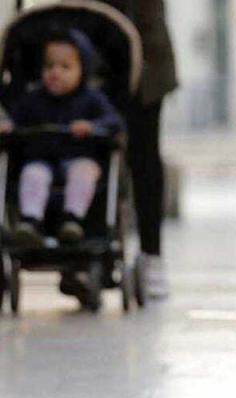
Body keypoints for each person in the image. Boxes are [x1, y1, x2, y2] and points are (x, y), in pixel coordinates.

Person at [1, 29, 124, 248]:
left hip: (80, 158)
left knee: (84, 172)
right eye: (49, 66)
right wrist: (9, 126)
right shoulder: (33, 100)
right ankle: (31, 222)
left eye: (65, 67)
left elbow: (114, 122)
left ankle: (72, 219)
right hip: (42, 160)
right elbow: (15, 120)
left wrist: (92, 126)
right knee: (32, 174)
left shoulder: (92, 100)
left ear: (82, 70)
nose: (55, 73)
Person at [98, 0, 178, 297]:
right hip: (87, 52)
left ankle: (151, 254)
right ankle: (89, 251)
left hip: (145, 57)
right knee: (88, 149)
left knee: (143, 157)